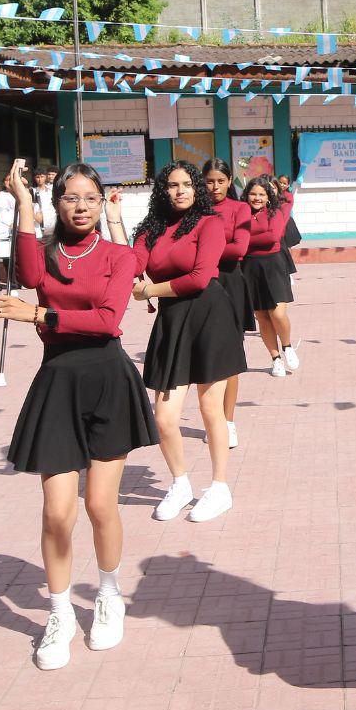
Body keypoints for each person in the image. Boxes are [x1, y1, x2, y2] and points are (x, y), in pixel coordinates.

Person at [0, 162, 158, 671]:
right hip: (57, 382)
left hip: (108, 380)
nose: (81, 206)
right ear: (57, 203)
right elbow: (26, 275)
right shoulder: (46, 255)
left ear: (100, 201)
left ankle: (109, 594)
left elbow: (108, 321)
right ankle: (60, 613)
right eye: (70, 198)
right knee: (56, 513)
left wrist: (39, 315)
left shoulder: (119, 255)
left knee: (101, 505)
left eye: (89, 197)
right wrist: (23, 202)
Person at [106, 160, 247, 523]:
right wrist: (113, 220)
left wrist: (150, 289)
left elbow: (200, 278)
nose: (180, 190)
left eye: (186, 184)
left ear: (195, 188)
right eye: (172, 185)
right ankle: (180, 482)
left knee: (210, 408)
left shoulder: (209, 223)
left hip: (209, 316)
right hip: (171, 322)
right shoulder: (151, 229)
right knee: (164, 417)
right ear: (162, 190)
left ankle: (219, 487)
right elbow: (129, 263)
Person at [204, 158, 254, 449]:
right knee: (208, 353)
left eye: (220, 181)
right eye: (209, 181)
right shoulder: (196, 210)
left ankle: (228, 421)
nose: (215, 187)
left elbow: (239, 249)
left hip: (230, 283)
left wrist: (203, 250)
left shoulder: (240, 208)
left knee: (231, 355)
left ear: (229, 181)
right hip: (202, 283)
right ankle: (213, 420)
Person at [242, 176, 298, 376]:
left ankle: (287, 346)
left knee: (277, 313)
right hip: (249, 268)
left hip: (274, 265)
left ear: (268, 197)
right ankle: (275, 359)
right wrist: (250, 240)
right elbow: (235, 238)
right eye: (252, 194)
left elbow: (273, 237)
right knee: (263, 317)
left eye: (261, 194)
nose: (256, 198)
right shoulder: (241, 213)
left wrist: (247, 239)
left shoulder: (276, 211)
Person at [276, 173, 300, 282]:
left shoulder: (288, 196)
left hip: (287, 224)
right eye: (280, 182)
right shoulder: (273, 193)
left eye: (284, 183)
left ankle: (289, 269)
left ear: (288, 185)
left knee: (287, 246)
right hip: (277, 223)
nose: (282, 185)